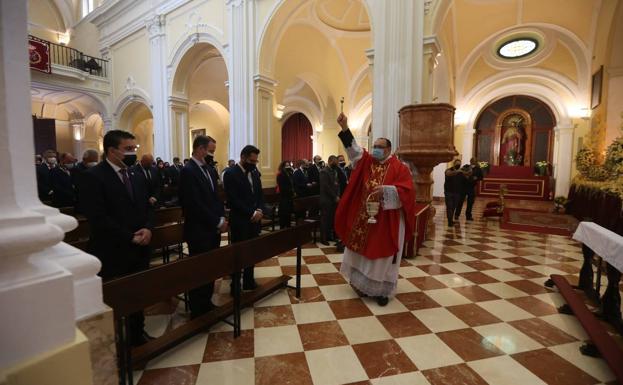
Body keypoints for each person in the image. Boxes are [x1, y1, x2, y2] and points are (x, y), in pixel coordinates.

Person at [79, 130, 154, 346]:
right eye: (129, 149)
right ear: (112, 151)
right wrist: (130, 236)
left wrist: (148, 228)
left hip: (140, 246)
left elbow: (148, 207)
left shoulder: (135, 174)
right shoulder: (93, 177)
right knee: (117, 298)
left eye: (134, 149)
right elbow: (98, 217)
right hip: (113, 248)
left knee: (138, 293)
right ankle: (114, 341)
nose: (133, 153)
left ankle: (137, 333)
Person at [335, 113, 416, 306]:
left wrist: (387, 191)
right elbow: (354, 151)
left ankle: (382, 292)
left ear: (389, 149)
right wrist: (345, 127)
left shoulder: (400, 167)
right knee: (360, 253)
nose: (376, 150)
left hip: (388, 220)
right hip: (364, 217)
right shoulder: (367, 161)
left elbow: (408, 191)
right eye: (375, 146)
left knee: (382, 257)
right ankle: (362, 286)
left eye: (380, 147)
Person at [178, 135, 227, 318]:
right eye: (211, 150)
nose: (212, 154)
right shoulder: (188, 171)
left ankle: (206, 302)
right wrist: (217, 221)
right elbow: (193, 204)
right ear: (200, 149)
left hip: (212, 228)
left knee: (210, 268)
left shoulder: (209, 170)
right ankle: (197, 308)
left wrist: (221, 217)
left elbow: (216, 197)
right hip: (198, 230)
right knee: (199, 270)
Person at [224, 145, 266, 291]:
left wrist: (260, 209)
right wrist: (251, 213)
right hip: (240, 221)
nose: (254, 164)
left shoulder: (254, 172)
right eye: (251, 161)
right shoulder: (230, 173)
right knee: (239, 254)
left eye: (256, 161)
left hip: (254, 220)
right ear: (243, 157)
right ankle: (235, 284)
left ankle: (249, 281)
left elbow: (260, 193)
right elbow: (233, 200)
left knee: (251, 252)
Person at [319, 155, 340, 245]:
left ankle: (329, 236)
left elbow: (337, 184)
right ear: (330, 161)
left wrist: (338, 195)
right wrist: (334, 196)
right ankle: (323, 238)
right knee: (325, 219)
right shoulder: (324, 172)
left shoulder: (334, 171)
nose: (337, 164)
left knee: (331, 219)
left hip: (334, 199)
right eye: (335, 162)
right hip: (326, 199)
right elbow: (325, 186)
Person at [444, 159, 465, 227]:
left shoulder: (461, 172)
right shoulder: (449, 170)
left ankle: (451, 220)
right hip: (449, 192)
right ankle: (450, 221)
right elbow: (448, 173)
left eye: (459, 164)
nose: (458, 165)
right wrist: (457, 171)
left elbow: (466, 177)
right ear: (454, 164)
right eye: (457, 164)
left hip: (457, 192)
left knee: (453, 207)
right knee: (449, 207)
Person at [276, 161, 295, 229]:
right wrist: (291, 191)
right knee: (284, 214)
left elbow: (292, 183)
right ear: (283, 167)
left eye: (288, 165)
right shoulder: (280, 175)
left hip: (289, 197)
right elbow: (282, 187)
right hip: (284, 197)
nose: (288, 167)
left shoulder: (290, 174)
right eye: (286, 165)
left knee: (288, 214)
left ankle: (288, 228)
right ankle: (282, 229)